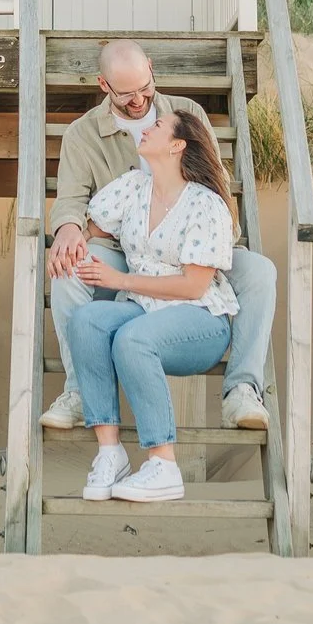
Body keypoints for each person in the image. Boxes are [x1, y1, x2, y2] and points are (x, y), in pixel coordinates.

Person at [42, 40, 275, 434]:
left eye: (145, 88)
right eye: (126, 94)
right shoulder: (83, 135)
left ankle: (242, 390)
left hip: (194, 244)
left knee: (260, 272)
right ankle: (79, 390)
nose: (139, 101)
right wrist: (68, 229)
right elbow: (72, 201)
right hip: (122, 247)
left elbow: (214, 182)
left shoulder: (185, 115)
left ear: (151, 68)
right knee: (68, 273)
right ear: (103, 85)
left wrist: (205, 241)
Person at [65, 103, 239, 502]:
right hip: (142, 307)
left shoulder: (206, 204)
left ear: (177, 144)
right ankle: (110, 453)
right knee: (88, 320)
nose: (146, 128)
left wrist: (120, 279)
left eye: (157, 126)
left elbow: (195, 286)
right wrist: (69, 233)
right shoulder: (133, 188)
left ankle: (163, 464)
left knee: (132, 339)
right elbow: (87, 226)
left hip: (200, 320)